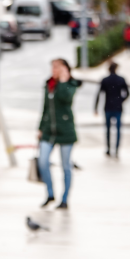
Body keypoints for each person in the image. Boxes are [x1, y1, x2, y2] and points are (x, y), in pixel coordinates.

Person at [36, 58, 80, 209]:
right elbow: (45, 108)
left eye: (57, 67)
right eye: (52, 67)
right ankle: (50, 193)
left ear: (64, 69)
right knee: (43, 161)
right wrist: (41, 128)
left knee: (66, 166)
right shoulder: (48, 84)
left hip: (66, 131)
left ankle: (65, 198)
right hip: (49, 131)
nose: (54, 70)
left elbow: (66, 99)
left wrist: (63, 81)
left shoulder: (70, 85)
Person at [94, 61, 129, 157]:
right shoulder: (121, 79)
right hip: (118, 107)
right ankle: (117, 149)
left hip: (108, 107)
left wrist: (95, 107)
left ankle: (109, 149)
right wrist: (121, 100)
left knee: (108, 129)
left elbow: (99, 94)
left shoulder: (105, 80)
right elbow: (127, 93)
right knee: (118, 129)